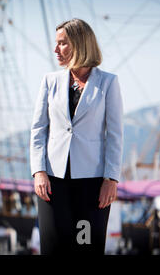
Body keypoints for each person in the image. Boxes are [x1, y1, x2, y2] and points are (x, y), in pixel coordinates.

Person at [30, 18, 123, 255]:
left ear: (80, 45)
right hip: (52, 180)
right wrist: (39, 171)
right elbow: (38, 129)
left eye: (62, 43)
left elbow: (114, 134)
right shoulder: (49, 81)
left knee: (87, 247)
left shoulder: (108, 83)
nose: (55, 50)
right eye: (56, 43)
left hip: (92, 182)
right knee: (52, 248)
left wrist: (111, 179)